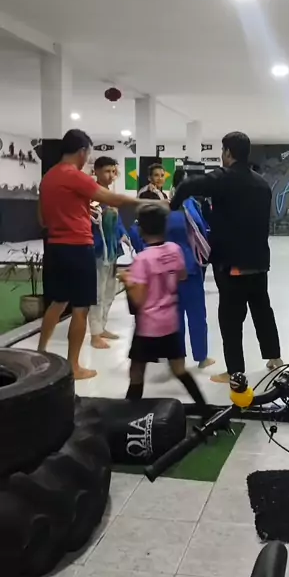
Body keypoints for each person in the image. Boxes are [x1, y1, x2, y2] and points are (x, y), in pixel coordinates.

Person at [170, 131, 282, 383]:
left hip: (231, 262)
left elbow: (187, 185)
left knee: (230, 318)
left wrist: (172, 206)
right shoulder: (261, 184)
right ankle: (274, 357)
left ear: (228, 152)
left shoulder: (224, 177)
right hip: (258, 261)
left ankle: (234, 371)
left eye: (223, 151)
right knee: (262, 310)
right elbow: (235, 216)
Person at [38, 129, 143, 379]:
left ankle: (40, 352)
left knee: (57, 302)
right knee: (80, 308)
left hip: (54, 248)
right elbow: (113, 199)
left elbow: (41, 220)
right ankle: (74, 366)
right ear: (83, 151)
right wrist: (151, 203)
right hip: (78, 248)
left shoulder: (48, 177)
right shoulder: (75, 176)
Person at [120, 203, 209, 416]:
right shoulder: (174, 250)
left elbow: (139, 300)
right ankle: (205, 410)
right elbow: (182, 276)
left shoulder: (142, 260)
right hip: (171, 323)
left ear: (141, 230)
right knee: (179, 369)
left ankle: (127, 417)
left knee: (136, 371)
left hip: (148, 327)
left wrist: (127, 281)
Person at [166, 169, 214, 368]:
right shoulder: (178, 207)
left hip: (185, 266)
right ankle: (193, 357)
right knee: (189, 314)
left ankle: (185, 358)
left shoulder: (188, 203)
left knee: (184, 315)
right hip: (184, 267)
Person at [89, 156, 130, 349]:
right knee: (97, 292)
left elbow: (118, 221)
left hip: (112, 250)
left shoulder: (110, 195)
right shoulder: (91, 195)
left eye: (113, 171)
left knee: (109, 291)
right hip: (98, 249)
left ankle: (102, 326)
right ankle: (95, 334)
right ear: (96, 171)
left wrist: (123, 234)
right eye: (107, 171)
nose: (111, 175)